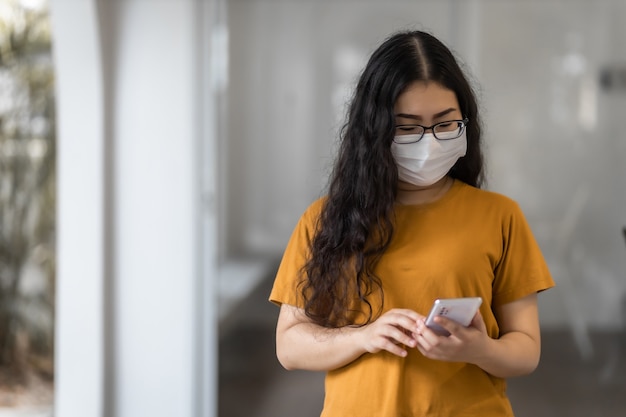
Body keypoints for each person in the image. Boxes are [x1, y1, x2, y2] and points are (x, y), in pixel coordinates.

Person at [269, 29, 555, 417]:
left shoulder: (500, 216)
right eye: (406, 127)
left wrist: (479, 348)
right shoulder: (324, 220)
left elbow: (527, 350)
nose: (430, 142)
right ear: (374, 130)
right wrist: (363, 336)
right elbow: (289, 346)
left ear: (465, 121)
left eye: (444, 123)